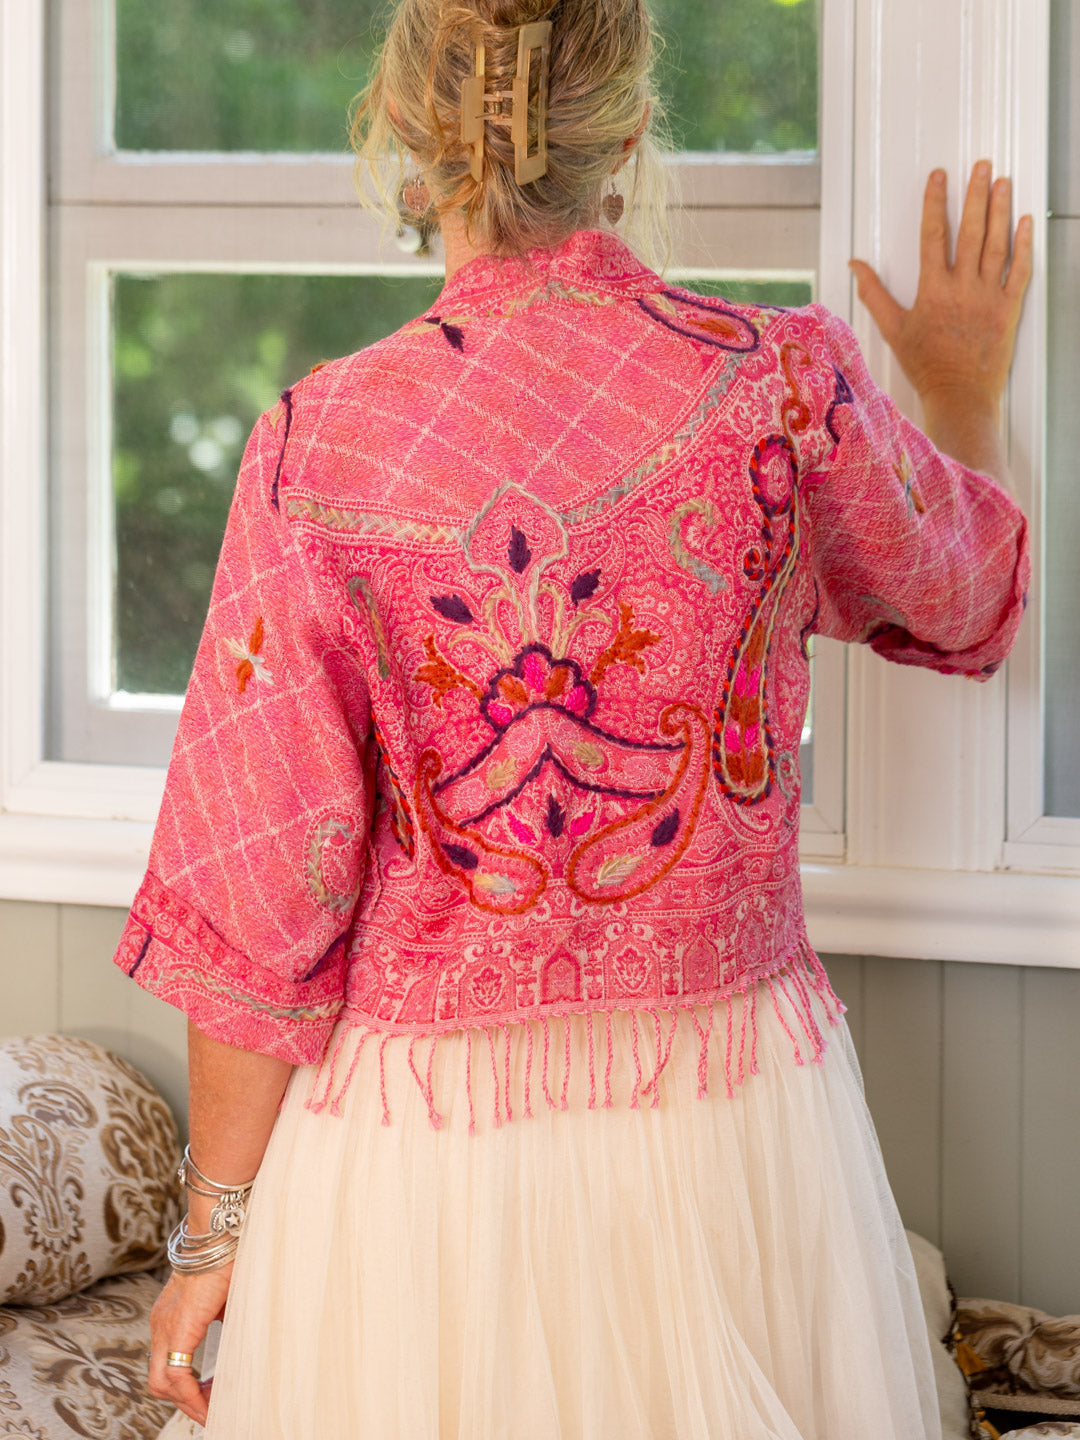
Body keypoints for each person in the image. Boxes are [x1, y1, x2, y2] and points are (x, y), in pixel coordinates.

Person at [121, 1, 1032, 1435]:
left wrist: (211, 1242)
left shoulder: (320, 443)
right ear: (624, 140)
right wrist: (967, 394)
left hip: (422, 1166)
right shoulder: (780, 388)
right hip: (733, 1124)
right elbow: (969, 596)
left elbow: (260, 902)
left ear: (410, 148)